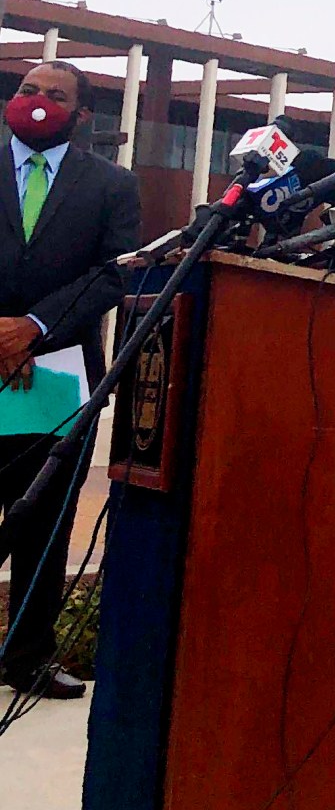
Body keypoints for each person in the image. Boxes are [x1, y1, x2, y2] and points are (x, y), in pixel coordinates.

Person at [0, 62, 142, 701]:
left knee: (45, 525)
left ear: (82, 115)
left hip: (58, 374)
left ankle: (27, 657)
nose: (36, 102)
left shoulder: (111, 186)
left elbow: (112, 276)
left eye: (55, 96)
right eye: (28, 90)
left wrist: (31, 327)